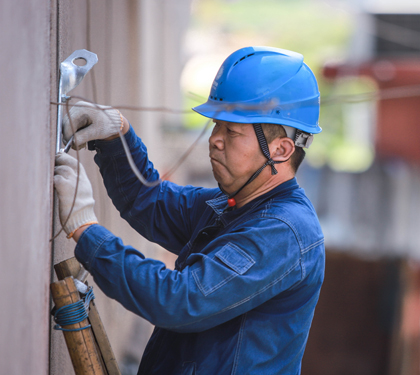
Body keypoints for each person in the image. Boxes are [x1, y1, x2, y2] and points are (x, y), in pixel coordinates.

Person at [53, 46, 325, 374]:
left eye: (232, 131)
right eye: (216, 126)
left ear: (280, 150)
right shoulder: (233, 206)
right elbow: (149, 202)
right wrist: (116, 136)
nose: (215, 139)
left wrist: (85, 229)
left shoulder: (284, 232)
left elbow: (181, 301)